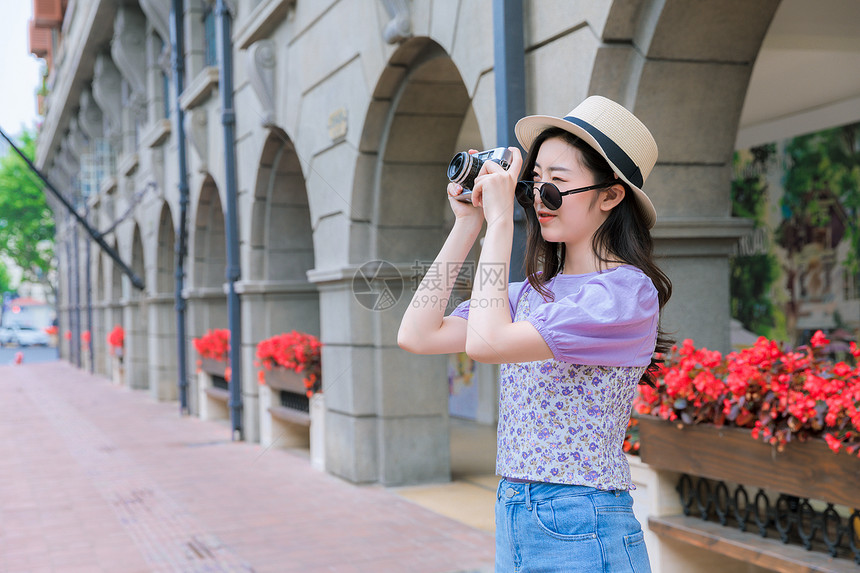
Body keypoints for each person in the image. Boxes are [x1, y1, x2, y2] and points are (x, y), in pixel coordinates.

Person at [398, 95, 672, 572]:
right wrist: (468, 224)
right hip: (514, 510)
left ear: (610, 195)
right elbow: (417, 334)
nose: (538, 200)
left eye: (557, 186)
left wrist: (501, 222)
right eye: (534, 185)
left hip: (581, 517)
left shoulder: (625, 294)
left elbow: (487, 346)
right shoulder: (530, 294)